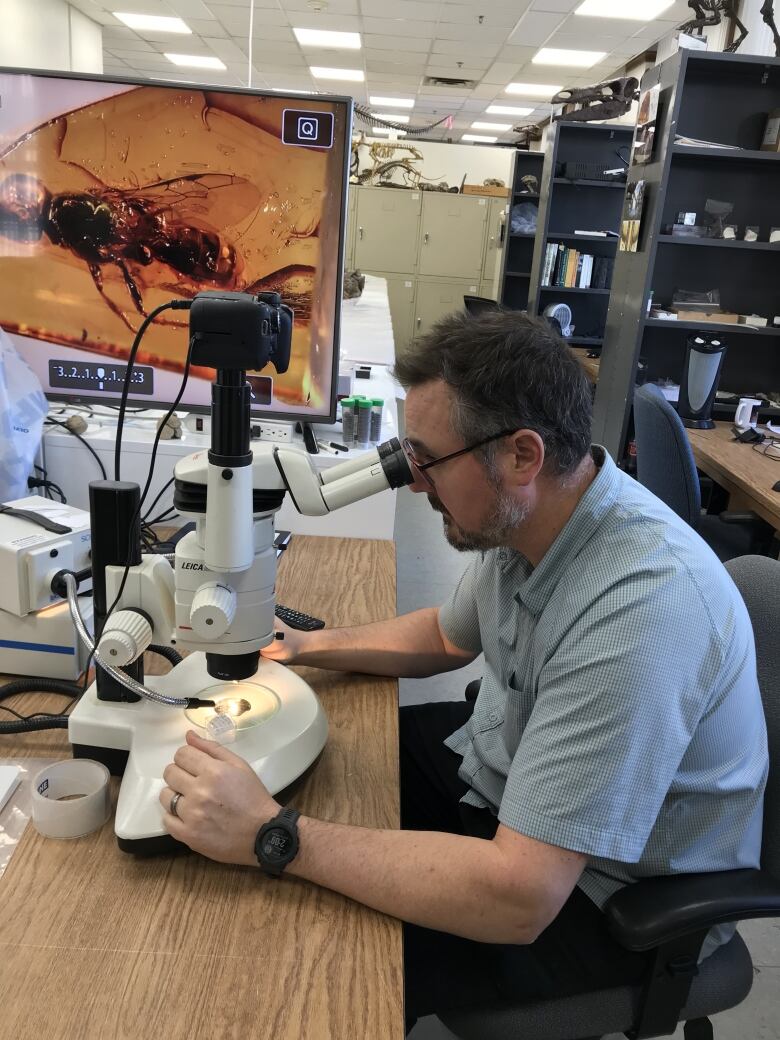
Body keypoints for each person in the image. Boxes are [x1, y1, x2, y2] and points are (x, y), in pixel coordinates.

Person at [159, 311, 768, 1032]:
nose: (414, 484)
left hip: (601, 901)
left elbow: (519, 898)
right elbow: (446, 638)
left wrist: (274, 834)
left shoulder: (642, 609)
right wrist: (300, 647)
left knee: (303, 968)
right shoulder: (535, 519)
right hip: (508, 782)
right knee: (334, 769)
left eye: (427, 459)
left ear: (521, 455)